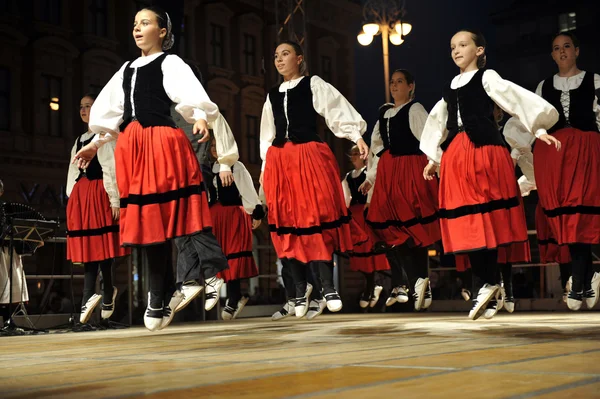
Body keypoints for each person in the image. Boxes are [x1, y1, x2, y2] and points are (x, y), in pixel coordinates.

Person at [73, 6, 223, 331]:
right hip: (134, 146)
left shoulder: (170, 63)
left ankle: (195, 277)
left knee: (178, 213)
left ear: (163, 31)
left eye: (145, 23)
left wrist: (198, 116)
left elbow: (190, 94)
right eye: (135, 23)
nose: (138, 29)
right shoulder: (126, 69)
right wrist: (94, 144)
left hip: (162, 142)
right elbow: (111, 112)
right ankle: (161, 293)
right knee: (149, 223)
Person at [420, 29, 560, 320]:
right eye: (452, 47)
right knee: (468, 221)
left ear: (479, 50)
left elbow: (514, 99)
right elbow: (438, 119)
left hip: (484, 152)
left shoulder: (487, 77)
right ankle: (488, 286)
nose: (456, 50)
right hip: (458, 155)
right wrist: (434, 156)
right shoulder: (451, 85)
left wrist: (540, 128)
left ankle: (488, 284)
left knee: (486, 218)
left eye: (463, 45)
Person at [259, 40, 369, 318]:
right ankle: (298, 289)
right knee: (286, 224)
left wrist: (356, 136)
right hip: (280, 163)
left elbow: (336, 109)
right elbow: (266, 137)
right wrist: (265, 173)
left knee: (315, 221)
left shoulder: (313, 85)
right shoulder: (272, 96)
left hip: (308, 158)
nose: (279, 59)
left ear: (299, 58)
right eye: (276, 55)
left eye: (285, 54)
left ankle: (327, 287)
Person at [533, 31, 600, 311]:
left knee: (581, 213)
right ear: (552, 55)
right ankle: (584, 279)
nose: (562, 52)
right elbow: (533, 121)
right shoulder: (543, 86)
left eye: (566, 47)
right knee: (566, 216)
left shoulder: (594, 81)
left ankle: (580, 280)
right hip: (557, 154)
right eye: (556, 48)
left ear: (577, 50)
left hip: (586, 150)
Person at [362, 69, 438, 311]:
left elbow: (429, 138)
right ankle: (416, 280)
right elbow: (377, 147)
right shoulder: (384, 112)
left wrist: (436, 164)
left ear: (411, 86)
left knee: (411, 225)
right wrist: (371, 177)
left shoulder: (415, 110)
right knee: (392, 229)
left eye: (399, 82)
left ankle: (418, 280)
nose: (394, 86)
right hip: (389, 171)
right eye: (392, 82)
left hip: (411, 169)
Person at [66, 94, 128, 324]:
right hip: (84, 196)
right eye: (81, 106)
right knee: (91, 247)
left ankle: (97, 293)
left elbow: (110, 167)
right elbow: (72, 171)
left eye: (88, 106)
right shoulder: (80, 140)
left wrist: (115, 200)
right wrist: (73, 197)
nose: (83, 110)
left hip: (100, 193)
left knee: (101, 247)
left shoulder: (105, 136)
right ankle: (94, 294)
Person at [204, 134, 264, 320]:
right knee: (220, 256)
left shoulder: (236, 166)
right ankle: (234, 296)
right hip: (215, 216)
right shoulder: (208, 169)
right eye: (212, 145)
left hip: (233, 215)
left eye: (218, 144)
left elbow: (247, 188)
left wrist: (256, 211)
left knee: (233, 255)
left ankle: (234, 297)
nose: (214, 148)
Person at [341, 146, 389, 309]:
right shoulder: (348, 177)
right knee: (358, 255)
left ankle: (371, 287)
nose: (353, 157)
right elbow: (345, 197)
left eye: (356, 154)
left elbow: (374, 189)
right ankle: (372, 286)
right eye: (352, 154)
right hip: (354, 216)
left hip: (366, 213)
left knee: (370, 253)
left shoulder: (367, 173)